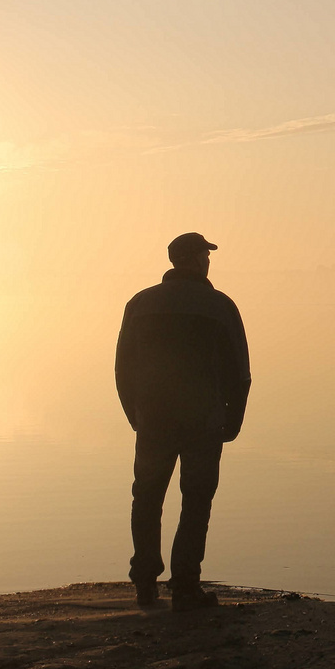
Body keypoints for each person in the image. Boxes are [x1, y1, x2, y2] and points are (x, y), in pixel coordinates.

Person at [115, 233, 250, 610]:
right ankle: (186, 585)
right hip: (203, 420)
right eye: (206, 254)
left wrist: (135, 414)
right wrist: (233, 419)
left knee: (146, 498)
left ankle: (145, 582)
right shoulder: (220, 305)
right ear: (192, 259)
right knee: (196, 500)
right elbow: (240, 371)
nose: (209, 260)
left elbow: (122, 369)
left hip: (153, 420)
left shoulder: (139, 304)